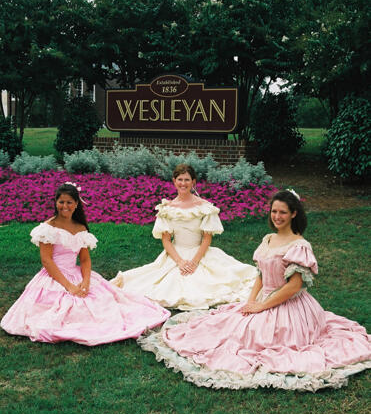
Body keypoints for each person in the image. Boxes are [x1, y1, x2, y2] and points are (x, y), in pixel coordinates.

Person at [137, 190, 371, 391]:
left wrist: (261, 305)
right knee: (234, 327)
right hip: (262, 297)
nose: (277, 216)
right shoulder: (268, 239)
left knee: (260, 340)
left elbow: (294, 286)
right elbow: (260, 274)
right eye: (274, 211)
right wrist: (249, 302)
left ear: (294, 214)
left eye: (282, 212)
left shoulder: (299, 245)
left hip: (288, 305)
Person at [0, 182, 170, 346]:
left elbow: (85, 259)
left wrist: (86, 280)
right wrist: (69, 286)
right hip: (54, 276)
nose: (64, 206)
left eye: (69, 202)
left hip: (76, 272)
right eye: (61, 202)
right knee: (67, 307)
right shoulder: (48, 228)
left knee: (103, 302)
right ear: (55, 202)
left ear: (76, 204)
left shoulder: (80, 227)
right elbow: (47, 260)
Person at [110, 164, 257, 310]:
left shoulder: (204, 207)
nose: (183, 183)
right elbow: (166, 240)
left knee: (211, 281)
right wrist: (180, 262)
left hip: (199, 252)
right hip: (176, 253)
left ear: (193, 182)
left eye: (187, 180)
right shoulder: (167, 209)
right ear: (174, 181)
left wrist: (194, 262)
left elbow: (206, 238)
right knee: (158, 282)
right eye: (180, 179)